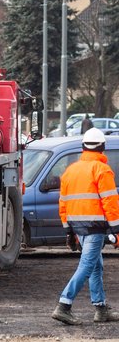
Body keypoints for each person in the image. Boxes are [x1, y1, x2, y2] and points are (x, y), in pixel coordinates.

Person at [52, 127, 119, 325]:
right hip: (95, 228)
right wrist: (117, 230)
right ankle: (64, 305)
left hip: (78, 228)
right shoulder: (102, 170)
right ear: (102, 148)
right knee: (87, 266)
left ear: (83, 147)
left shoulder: (70, 171)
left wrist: (68, 231)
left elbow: (63, 203)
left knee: (96, 267)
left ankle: (100, 308)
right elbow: (110, 202)